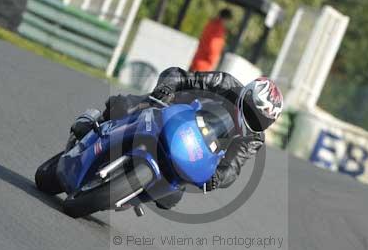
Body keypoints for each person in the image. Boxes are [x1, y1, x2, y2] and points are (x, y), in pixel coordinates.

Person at [70, 67, 283, 209]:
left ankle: (127, 192)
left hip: (191, 150)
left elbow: (233, 167)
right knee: (122, 106)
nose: (253, 120)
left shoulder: (254, 138)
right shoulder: (225, 83)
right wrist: (167, 88)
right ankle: (94, 122)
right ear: (245, 94)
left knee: (171, 198)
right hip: (169, 111)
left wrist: (218, 177)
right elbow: (180, 75)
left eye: (261, 120)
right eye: (251, 110)